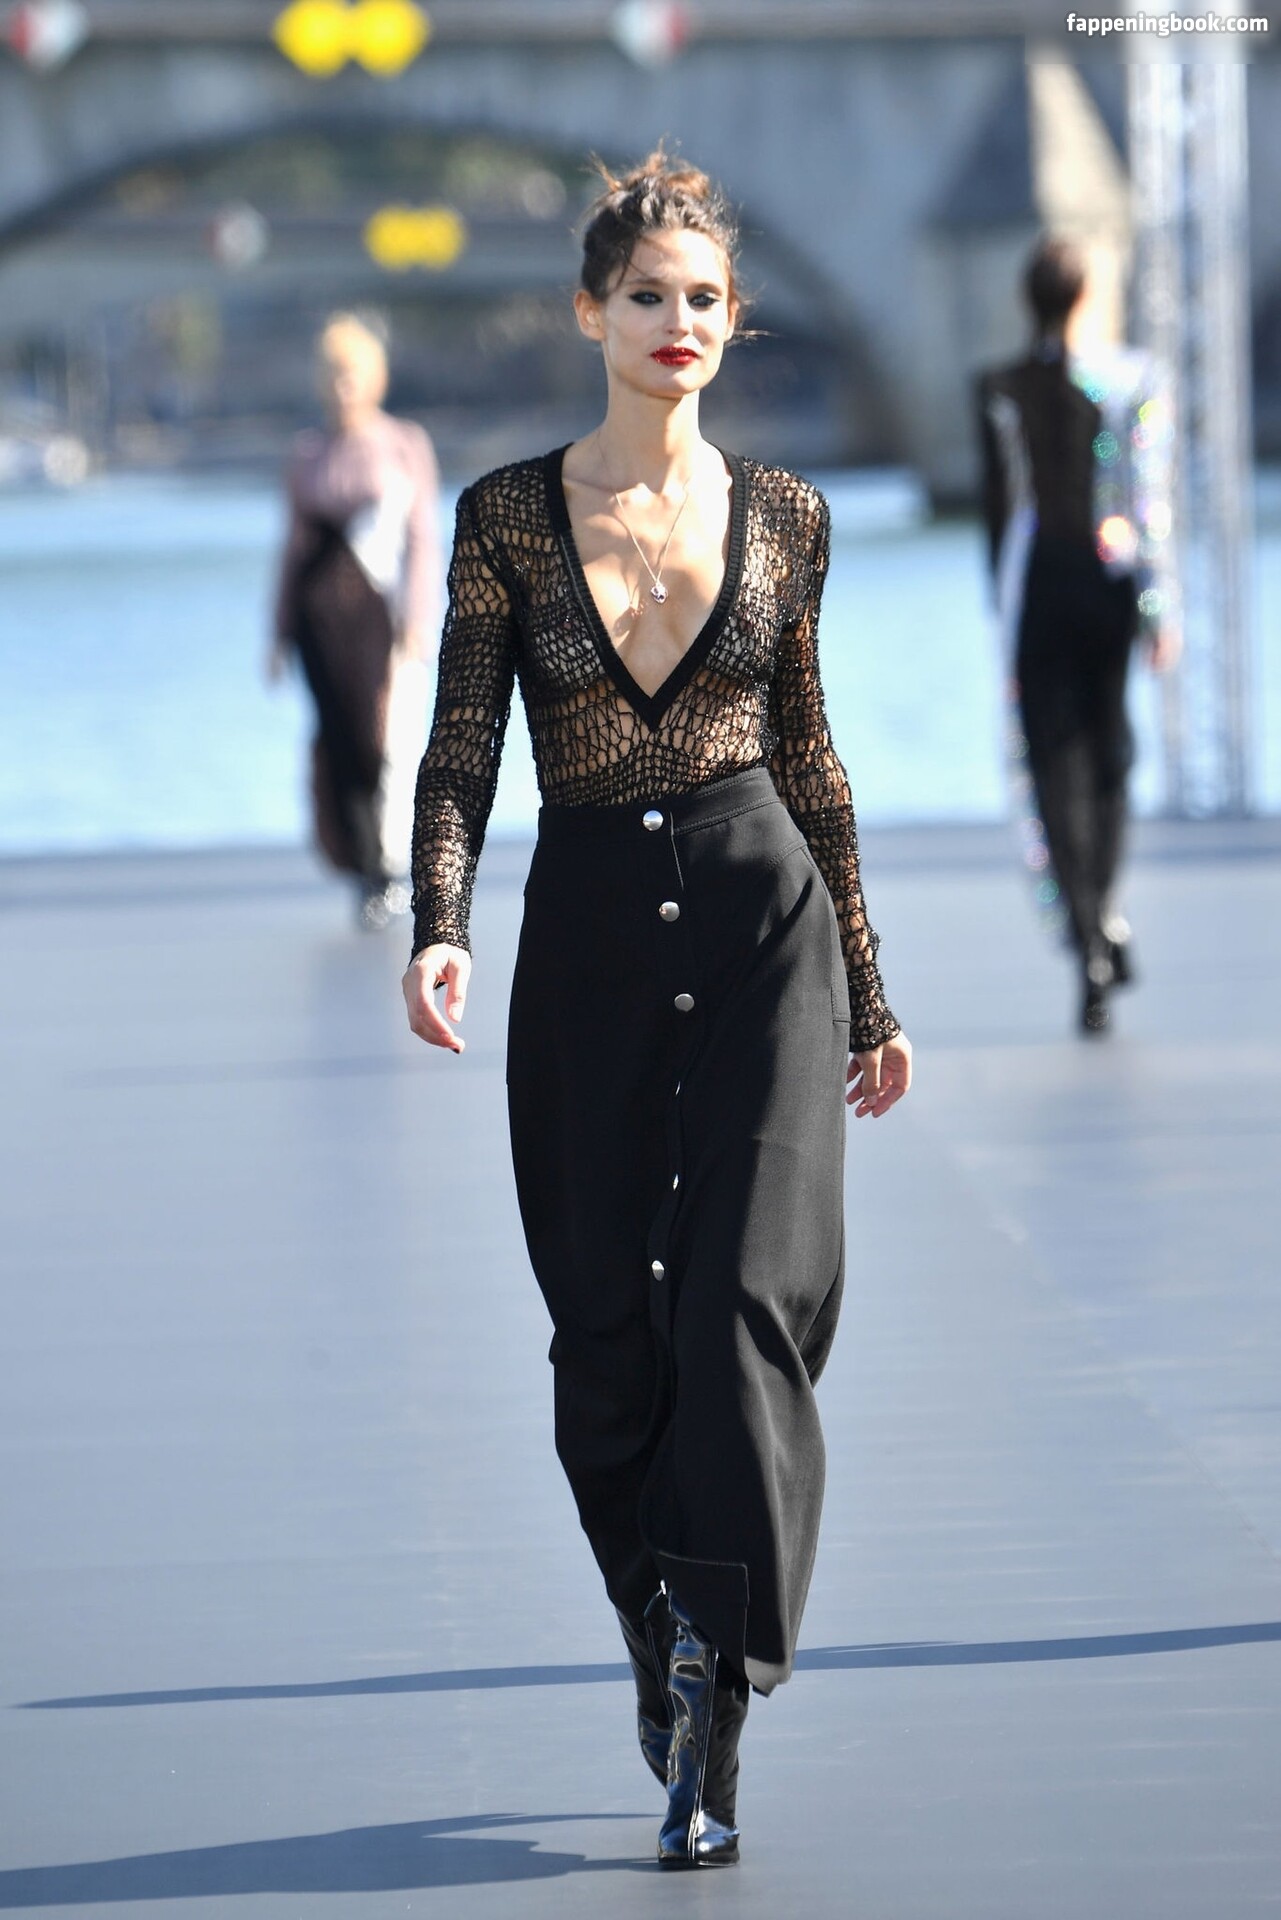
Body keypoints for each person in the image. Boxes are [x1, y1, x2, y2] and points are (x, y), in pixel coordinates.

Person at [402, 153, 912, 1869]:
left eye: (704, 299)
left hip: (767, 929)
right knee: (606, 1348)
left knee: (743, 1308)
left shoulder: (790, 517)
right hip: (590, 949)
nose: (677, 322)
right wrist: (440, 925)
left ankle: (716, 1717)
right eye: (646, 297)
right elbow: (460, 748)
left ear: (731, 319)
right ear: (590, 313)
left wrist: (870, 987)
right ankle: (659, 1628)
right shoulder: (506, 517)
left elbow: (814, 756)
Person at [977, 236, 1180, 1033]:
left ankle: (1086, 932)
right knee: (1108, 750)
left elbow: (1000, 515)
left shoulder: (999, 387)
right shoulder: (1132, 382)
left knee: (1050, 761)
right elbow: (1144, 499)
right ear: (1089, 296)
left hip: (1037, 592)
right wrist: (1157, 607)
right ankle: (1103, 911)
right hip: (1106, 584)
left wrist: (1000, 614)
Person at [271, 310, 441, 928]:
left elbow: (422, 540)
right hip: (323, 632)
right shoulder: (308, 455)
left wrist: (418, 618)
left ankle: (395, 862)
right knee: (342, 745)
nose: (342, 386)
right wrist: (278, 634)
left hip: (387, 625)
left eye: (352, 373)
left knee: (389, 743)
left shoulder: (404, 446)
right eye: (332, 374)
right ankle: (367, 869)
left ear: (375, 377)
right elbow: (293, 552)